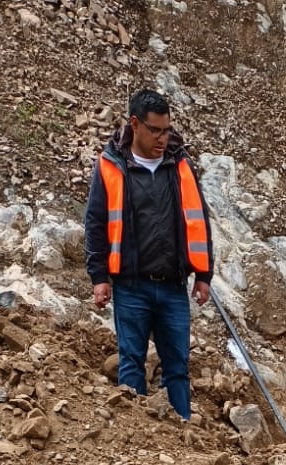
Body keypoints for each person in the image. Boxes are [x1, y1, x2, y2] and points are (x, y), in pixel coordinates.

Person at [84, 88, 213, 420]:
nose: (161, 137)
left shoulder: (179, 163)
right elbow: (96, 222)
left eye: (166, 130)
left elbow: (198, 217)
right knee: (131, 362)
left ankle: (184, 432)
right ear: (135, 124)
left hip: (172, 286)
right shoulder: (112, 165)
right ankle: (136, 435)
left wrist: (204, 274)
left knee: (177, 368)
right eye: (154, 130)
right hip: (131, 285)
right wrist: (99, 278)